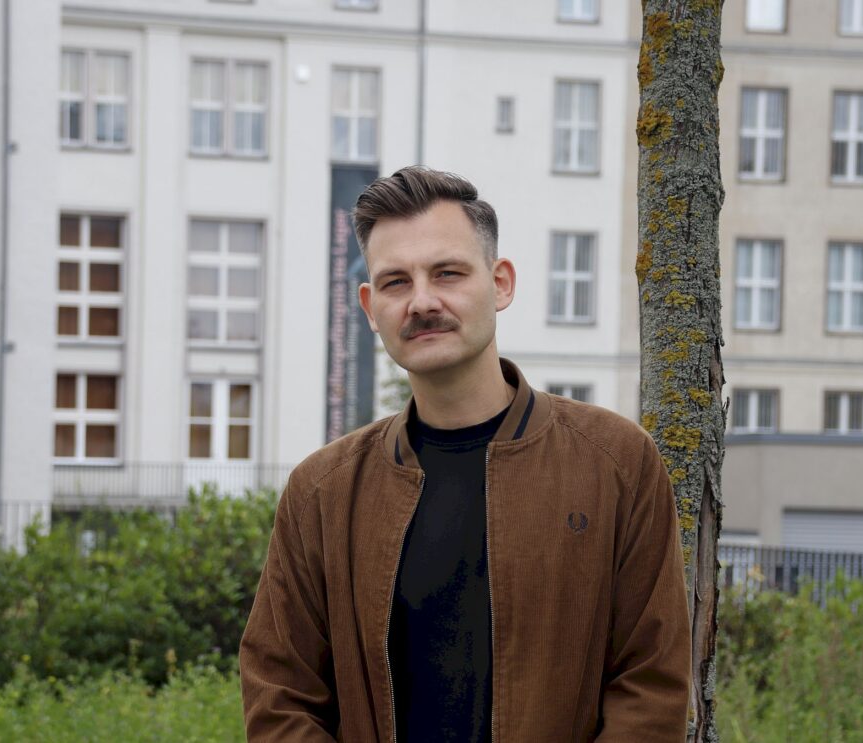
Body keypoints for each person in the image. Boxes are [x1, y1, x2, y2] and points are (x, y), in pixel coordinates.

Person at [239, 166, 692, 742]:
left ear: (500, 283)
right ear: (369, 306)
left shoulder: (617, 464)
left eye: (447, 273)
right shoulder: (322, 492)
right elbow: (280, 694)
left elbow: (650, 686)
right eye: (395, 282)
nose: (422, 301)